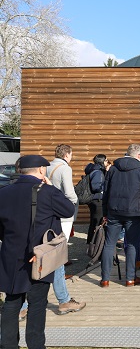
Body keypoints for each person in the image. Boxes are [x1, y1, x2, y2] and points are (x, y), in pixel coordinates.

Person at [0, 155, 75, 349]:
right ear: (42, 170)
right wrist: (51, 187)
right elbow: (68, 210)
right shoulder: (48, 192)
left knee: (12, 302)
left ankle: (7, 345)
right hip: (40, 256)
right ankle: (36, 345)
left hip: (11, 254)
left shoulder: (4, 192)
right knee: (38, 303)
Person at [100, 143, 140, 287]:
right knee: (131, 244)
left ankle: (105, 279)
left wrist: (105, 212)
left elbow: (106, 193)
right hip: (134, 212)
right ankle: (130, 278)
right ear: (139, 155)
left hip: (114, 211)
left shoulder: (113, 168)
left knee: (109, 244)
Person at [45, 144, 86, 314]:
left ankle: (26, 304)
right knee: (58, 256)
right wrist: (75, 203)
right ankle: (64, 300)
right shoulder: (65, 169)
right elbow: (69, 193)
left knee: (48, 252)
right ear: (67, 154)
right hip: (62, 213)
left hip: (48, 213)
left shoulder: (47, 167)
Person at [85, 154, 110, 244]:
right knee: (98, 221)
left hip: (94, 200)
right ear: (101, 161)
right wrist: (105, 188)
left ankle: (91, 241)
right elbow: (96, 187)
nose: (107, 162)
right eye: (106, 160)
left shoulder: (95, 170)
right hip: (98, 200)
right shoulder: (98, 172)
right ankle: (95, 242)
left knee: (94, 221)